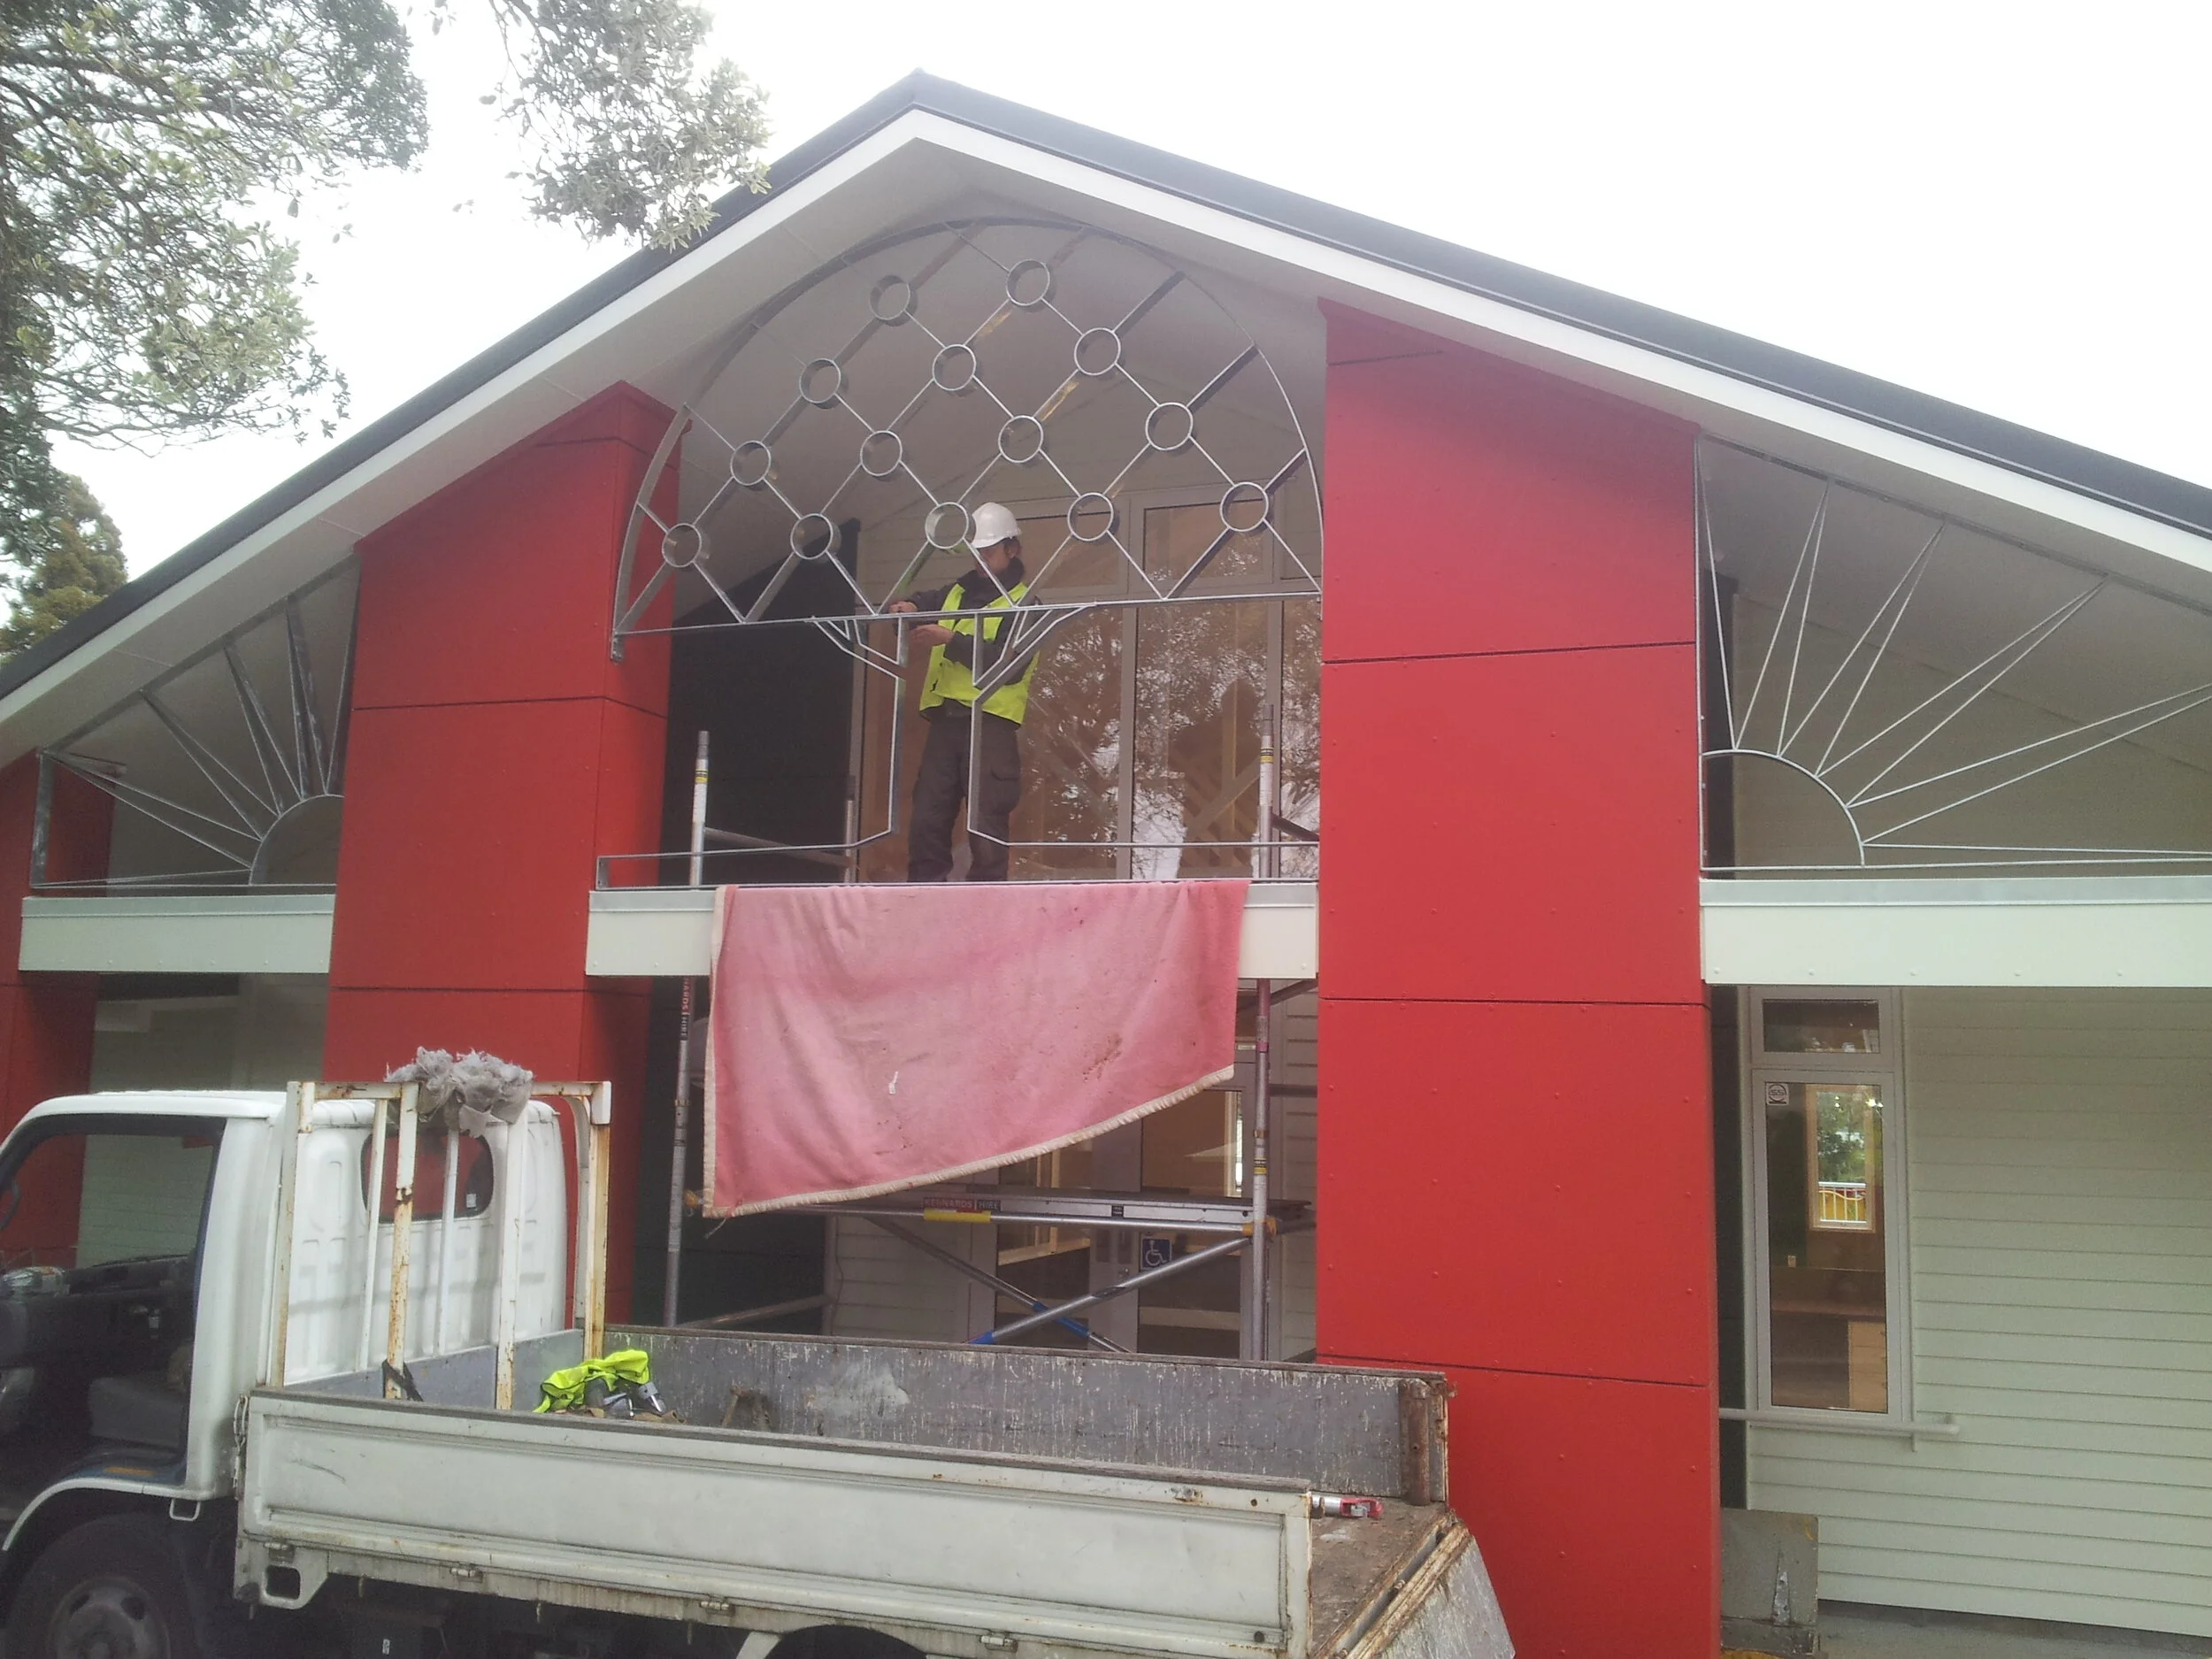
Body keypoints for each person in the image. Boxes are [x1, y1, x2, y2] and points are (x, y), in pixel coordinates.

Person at [889, 503, 1041, 881]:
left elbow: (1006, 665)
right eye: (976, 553)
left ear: (1012, 549)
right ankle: (923, 899)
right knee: (928, 818)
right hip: (946, 723)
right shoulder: (957, 592)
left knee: (985, 825)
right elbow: (923, 604)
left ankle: (983, 909)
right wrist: (909, 607)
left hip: (990, 728)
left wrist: (950, 638)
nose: (980, 561)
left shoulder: (1027, 605)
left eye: (988, 552)